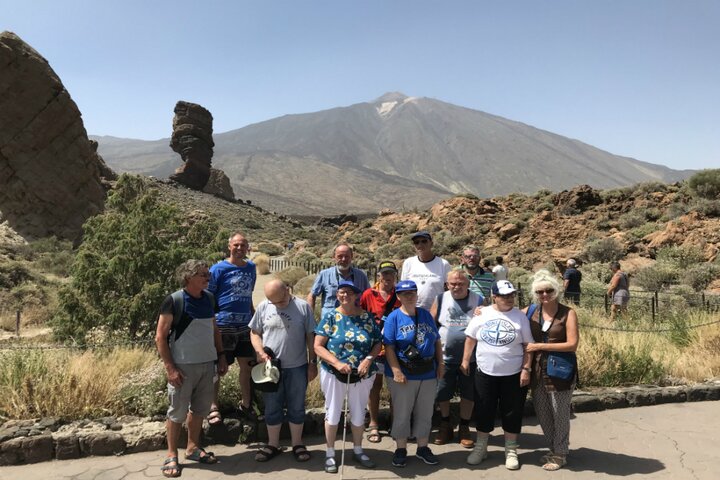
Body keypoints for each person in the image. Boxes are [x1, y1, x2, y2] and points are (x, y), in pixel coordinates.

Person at [155, 260, 228, 478]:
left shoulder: (209, 299)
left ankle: (193, 448)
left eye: (208, 274)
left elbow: (214, 329)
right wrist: (170, 368)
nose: (208, 278)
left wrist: (221, 356)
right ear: (188, 277)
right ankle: (171, 454)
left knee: (200, 410)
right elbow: (160, 337)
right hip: (183, 367)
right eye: (203, 275)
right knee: (177, 412)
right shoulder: (174, 300)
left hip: (207, 364)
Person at [461, 280, 533, 470]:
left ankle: (510, 450)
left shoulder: (520, 317)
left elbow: (528, 346)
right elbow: (471, 338)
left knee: (512, 411)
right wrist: (465, 360)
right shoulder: (482, 313)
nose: (509, 299)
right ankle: (481, 447)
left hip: (513, 373)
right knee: (484, 409)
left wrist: (526, 369)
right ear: (494, 296)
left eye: (511, 295)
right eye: (504, 296)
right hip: (485, 372)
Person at [314, 280, 382, 473]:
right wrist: (336, 363)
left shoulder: (367, 317)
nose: (345, 295)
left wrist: (368, 360)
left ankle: (358, 450)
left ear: (356, 296)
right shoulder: (330, 317)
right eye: (341, 292)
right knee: (333, 411)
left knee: (359, 412)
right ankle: (329, 453)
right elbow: (318, 345)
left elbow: (377, 342)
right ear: (337, 296)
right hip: (335, 372)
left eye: (349, 293)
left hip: (362, 373)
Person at [249, 279, 318, 463]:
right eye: (274, 302)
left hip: (297, 366)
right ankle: (273, 444)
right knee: (272, 407)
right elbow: (254, 332)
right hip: (271, 369)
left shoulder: (303, 307)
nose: (277, 305)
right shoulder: (264, 306)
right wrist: (260, 351)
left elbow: (311, 336)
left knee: (297, 406)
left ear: (287, 290)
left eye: (280, 301)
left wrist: (312, 363)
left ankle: (297, 443)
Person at [383, 280, 444, 468]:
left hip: (427, 371)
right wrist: (396, 371)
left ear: (417, 295)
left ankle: (422, 447)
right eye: (404, 293)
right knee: (402, 412)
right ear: (398, 296)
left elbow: (436, 341)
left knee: (425, 411)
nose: (409, 296)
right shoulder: (393, 317)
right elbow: (389, 347)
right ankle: (401, 448)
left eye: (412, 293)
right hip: (404, 371)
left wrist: (440, 364)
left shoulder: (425, 314)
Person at [523, 269, 579, 471]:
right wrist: (482, 311)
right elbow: (505, 312)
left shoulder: (568, 313)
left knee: (560, 412)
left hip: (560, 370)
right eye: (540, 292)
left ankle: (561, 453)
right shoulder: (530, 311)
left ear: (556, 291)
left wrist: (539, 346)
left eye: (548, 290)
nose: (544, 295)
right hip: (538, 371)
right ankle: (553, 448)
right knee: (544, 412)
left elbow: (572, 344)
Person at [430, 269, 483, 448]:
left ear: (467, 284)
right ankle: (446, 425)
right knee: (443, 392)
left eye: (460, 283)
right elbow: (431, 324)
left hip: (471, 357)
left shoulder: (478, 299)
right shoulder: (440, 298)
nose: (456, 287)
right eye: (453, 283)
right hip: (445, 356)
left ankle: (464, 427)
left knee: (469, 393)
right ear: (447, 284)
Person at [207, 232, 257, 422]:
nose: (239, 248)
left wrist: (254, 319)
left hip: (245, 325)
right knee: (219, 367)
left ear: (247, 248)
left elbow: (249, 294)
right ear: (229, 246)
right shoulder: (218, 269)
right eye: (236, 245)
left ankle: (246, 404)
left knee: (248, 365)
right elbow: (209, 297)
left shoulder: (251, 268)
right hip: (223, 324)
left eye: (243, 245)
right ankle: (213, 407)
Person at [359, 260, 401, 444]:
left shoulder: (400, 294)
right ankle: (374, 423)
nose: (387, 277)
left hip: (394, 349)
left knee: (395, 388)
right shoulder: (369, 294)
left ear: (395, 275)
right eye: (384, 273)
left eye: (390, 273)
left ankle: (396, 423)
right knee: (373, 387)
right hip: (374, 348)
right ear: (378, 276)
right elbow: (360, 316)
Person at [308, 243, 370, 319]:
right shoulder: (324, 274)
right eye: (340, 256)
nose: (343, 259)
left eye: (346, 256)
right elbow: (312, 296)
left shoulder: (361, 276)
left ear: (351, 257)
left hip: (355, 322)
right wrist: (310, 319)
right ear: (334, 257)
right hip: (329, 322)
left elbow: (369, 297)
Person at [401, 231, 452, 310]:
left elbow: (449, 289)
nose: (420, 245)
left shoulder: (443, 264)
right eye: (416, 242)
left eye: (424, 241)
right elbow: (403, 288)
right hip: (413, 311)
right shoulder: (408, 263)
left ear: (431, 243)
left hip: (436, 311)